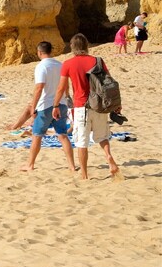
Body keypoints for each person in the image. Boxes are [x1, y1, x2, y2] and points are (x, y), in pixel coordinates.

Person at [51, 33, 121, 180]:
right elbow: (109, 84)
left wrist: (56, 105)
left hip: (81, 106)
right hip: (99, 105)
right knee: (102, 136)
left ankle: (84, 174)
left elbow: (61, 88)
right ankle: (108, 157)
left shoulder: (68, 64)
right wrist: (116, 104)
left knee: (81, 142)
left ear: (72, 47)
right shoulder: (98, 60)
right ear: (86, 46)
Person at [20, 41, 75, 173]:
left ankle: (30, 164)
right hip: (60, 104)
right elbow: (65, 84)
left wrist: (33, 106)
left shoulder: (41, 66)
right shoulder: (60, 65)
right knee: (62, 135)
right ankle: (72, 166)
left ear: (39, 52)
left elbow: (39, 87)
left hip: (46, 105)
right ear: (51, 51)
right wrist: (67, 97)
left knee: (37, 135)